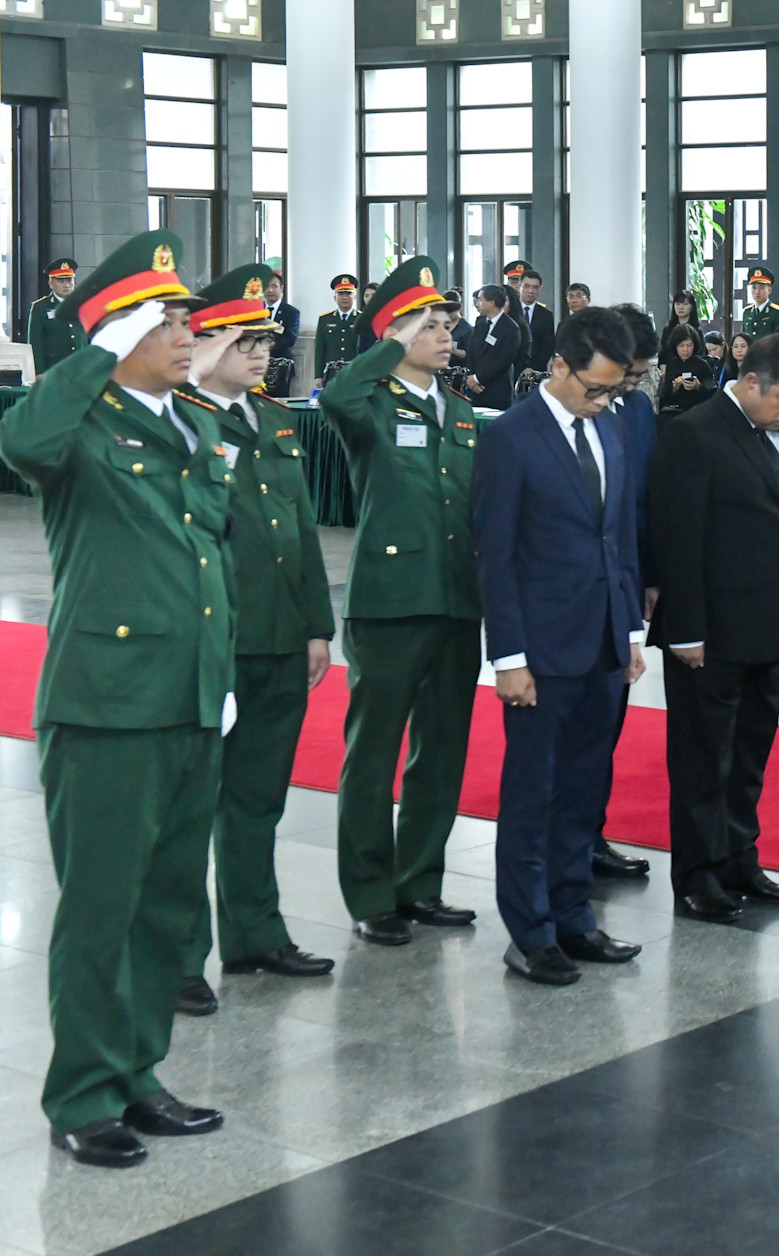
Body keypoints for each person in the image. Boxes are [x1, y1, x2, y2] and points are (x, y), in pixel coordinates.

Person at [1, 230, 234, 1168]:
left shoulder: (198, 425)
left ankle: (139, 1073)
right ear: (120, 331)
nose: (187, 336)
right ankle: (83, 1093)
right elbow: (20, 439)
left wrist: (217, 680)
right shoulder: (81, 426)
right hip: (107, 704)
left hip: (189, 698)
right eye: (166, 321)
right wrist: (92, 349)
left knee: (167, 908)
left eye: (186, 320)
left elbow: (208, 555)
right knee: (102, 906)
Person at [175, 263, 337, 1018]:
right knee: (186, 808)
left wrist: (314, 627)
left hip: (276, 637)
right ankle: (177, 957)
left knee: (257, 800)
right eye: (245, 340)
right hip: (210, 640)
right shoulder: (176, 420)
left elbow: (298, 533)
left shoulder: (273, 421)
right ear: (203, 345)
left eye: (267, 341)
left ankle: (254, 934)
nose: (262, 353)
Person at [474, 308, 647, 986]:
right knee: (532, 792)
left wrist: (630, 628)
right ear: (559, 367)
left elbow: (621, 535)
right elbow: (496, 554)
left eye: (614, 390)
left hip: (603, 640)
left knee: (582, 789)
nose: (604, 401)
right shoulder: (512, 437)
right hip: (541, 652)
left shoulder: (611, 427)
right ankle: (530, 931)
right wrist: (508, 657)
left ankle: (575, 916)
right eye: (594, 388)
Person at [322, 259, 481, 948]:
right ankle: (368, 892)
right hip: (390, 601)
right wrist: (388, 341)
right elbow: (334, 396)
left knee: (441, 751)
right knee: (374, 750)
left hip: (455, 599)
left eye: (448, 323)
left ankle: (420, 883)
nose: (444, 334)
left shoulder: (464, 410)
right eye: (428, 324)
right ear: (394, 332)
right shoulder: (370, 403)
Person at [649, 334, 779, 920]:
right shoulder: (694, 433)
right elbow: (678, 539)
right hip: (711, 631)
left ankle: (740, 857)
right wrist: (684, 630)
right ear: (750, 382)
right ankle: (697, 875)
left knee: (749, 754)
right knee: (701, 760)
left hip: (771, 623)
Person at [587, 304, 659, 882]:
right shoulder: (565, 412)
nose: (630, 387)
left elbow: (644, 498)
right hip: (572, 593)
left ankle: (592, 831)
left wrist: (649, 577)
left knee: (611, 714)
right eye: (626, 374)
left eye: (637, 377)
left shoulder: (635, 409)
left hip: (625, 585)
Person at [464, 285, 523, 409]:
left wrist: (478, 378)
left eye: (480, 300)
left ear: (491, 302)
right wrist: (472, 379)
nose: (477, 303)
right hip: (476, 390)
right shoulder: (480, 324)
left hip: (498, 391)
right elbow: (470, 353)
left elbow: (504, 361)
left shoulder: (511, 328)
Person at [26, 257, 84, 374]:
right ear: (51, 283)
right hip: (54, 369)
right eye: (61, 281)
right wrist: (39, 372)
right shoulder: (40, 307)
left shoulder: (83, 304)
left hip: (81, 367)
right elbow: (35, 342)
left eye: (69, 280)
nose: (66, 285)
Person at [656, 322, 716, 420]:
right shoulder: (672, 364)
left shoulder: (702, 364)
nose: (685, 350)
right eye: (681, 346)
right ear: (675, 346)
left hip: (697, 410)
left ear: (694, 345)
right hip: (675, 411)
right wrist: (674, 388)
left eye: (689, 345)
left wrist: (698, 387)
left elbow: (712, 392)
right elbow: (664, 395)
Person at [261, 272, 299, 397]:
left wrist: (264, 347)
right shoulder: (256, 310)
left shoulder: (291, 312)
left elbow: (289, 338)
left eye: (274, 286)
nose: (270, 290)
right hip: (257, 364)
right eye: (267, 286)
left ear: (281, 288)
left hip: (281, 366)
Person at [314, 273, 361, 375]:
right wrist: (318, 375)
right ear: (335, 298)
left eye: (348, 293)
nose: (345, 297)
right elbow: (320, 350)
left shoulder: (362, 319)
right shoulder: (325, 320)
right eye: (340, 294)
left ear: (355, 297)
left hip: (355, 371)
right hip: (331, 372)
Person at [519, 268, 556, 369]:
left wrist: (533, 368)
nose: (531, 291)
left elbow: (548, 347)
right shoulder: (510, 311)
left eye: (535, 287)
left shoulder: (546, 315)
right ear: (519, 287)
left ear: (540, 289)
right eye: (526, 286)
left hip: (536, 372)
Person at [740, 265, 779, 339]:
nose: (757, 292)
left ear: (769, 290)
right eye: (754, 288)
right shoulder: (747, 312)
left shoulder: (777, 312)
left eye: (762, 287)